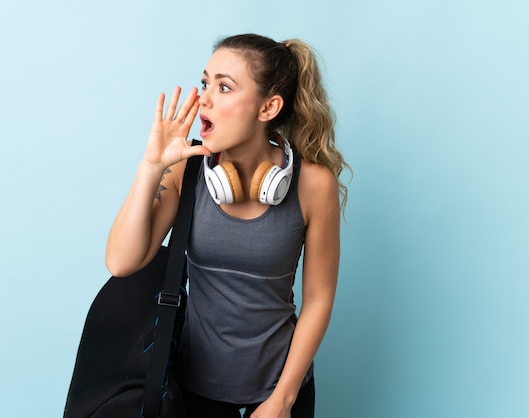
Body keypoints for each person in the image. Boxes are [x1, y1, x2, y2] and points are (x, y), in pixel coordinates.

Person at [105, 33, 349, 418]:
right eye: (205, 83)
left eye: (224, 87)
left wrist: (282, 401)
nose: (204, 97)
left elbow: (318, 298)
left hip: (280, 389)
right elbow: (121, 262)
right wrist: (151, 166)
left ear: (268, 107)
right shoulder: (186, 170)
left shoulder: (314, 184)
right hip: (194, 390)